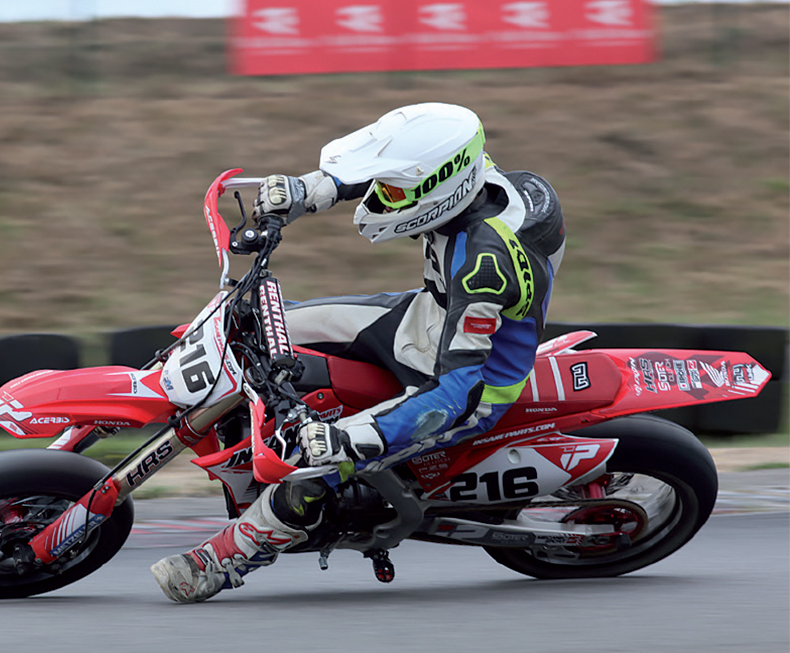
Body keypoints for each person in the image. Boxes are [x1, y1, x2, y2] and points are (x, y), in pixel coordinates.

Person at [151, 102, 566, 603]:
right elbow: (388, 171)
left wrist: (356, 438)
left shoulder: (485, 265)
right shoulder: (469, 171)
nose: (381, 200)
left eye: (393, 194)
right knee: (258, 320)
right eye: (384, 189)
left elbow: (458, 390)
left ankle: (224, 560)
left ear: (440, 192)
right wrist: (308, 190)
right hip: (428, 317)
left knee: (311, 464)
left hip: (466, 378)